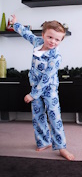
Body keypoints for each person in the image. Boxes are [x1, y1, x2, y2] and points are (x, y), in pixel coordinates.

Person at [11, 15, 75, 161]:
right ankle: (43, 141)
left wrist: (33, 94)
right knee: (38, 115)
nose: (53, 41)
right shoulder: (37, 42)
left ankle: (61, 147)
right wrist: (15, 24)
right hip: (35, 86)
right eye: (50, 37)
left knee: (54, 116)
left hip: (48, 89)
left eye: (57, 39)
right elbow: (26, 34)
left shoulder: (55, 57)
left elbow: (46, 77)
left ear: (61, 41)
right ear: (43, 35)